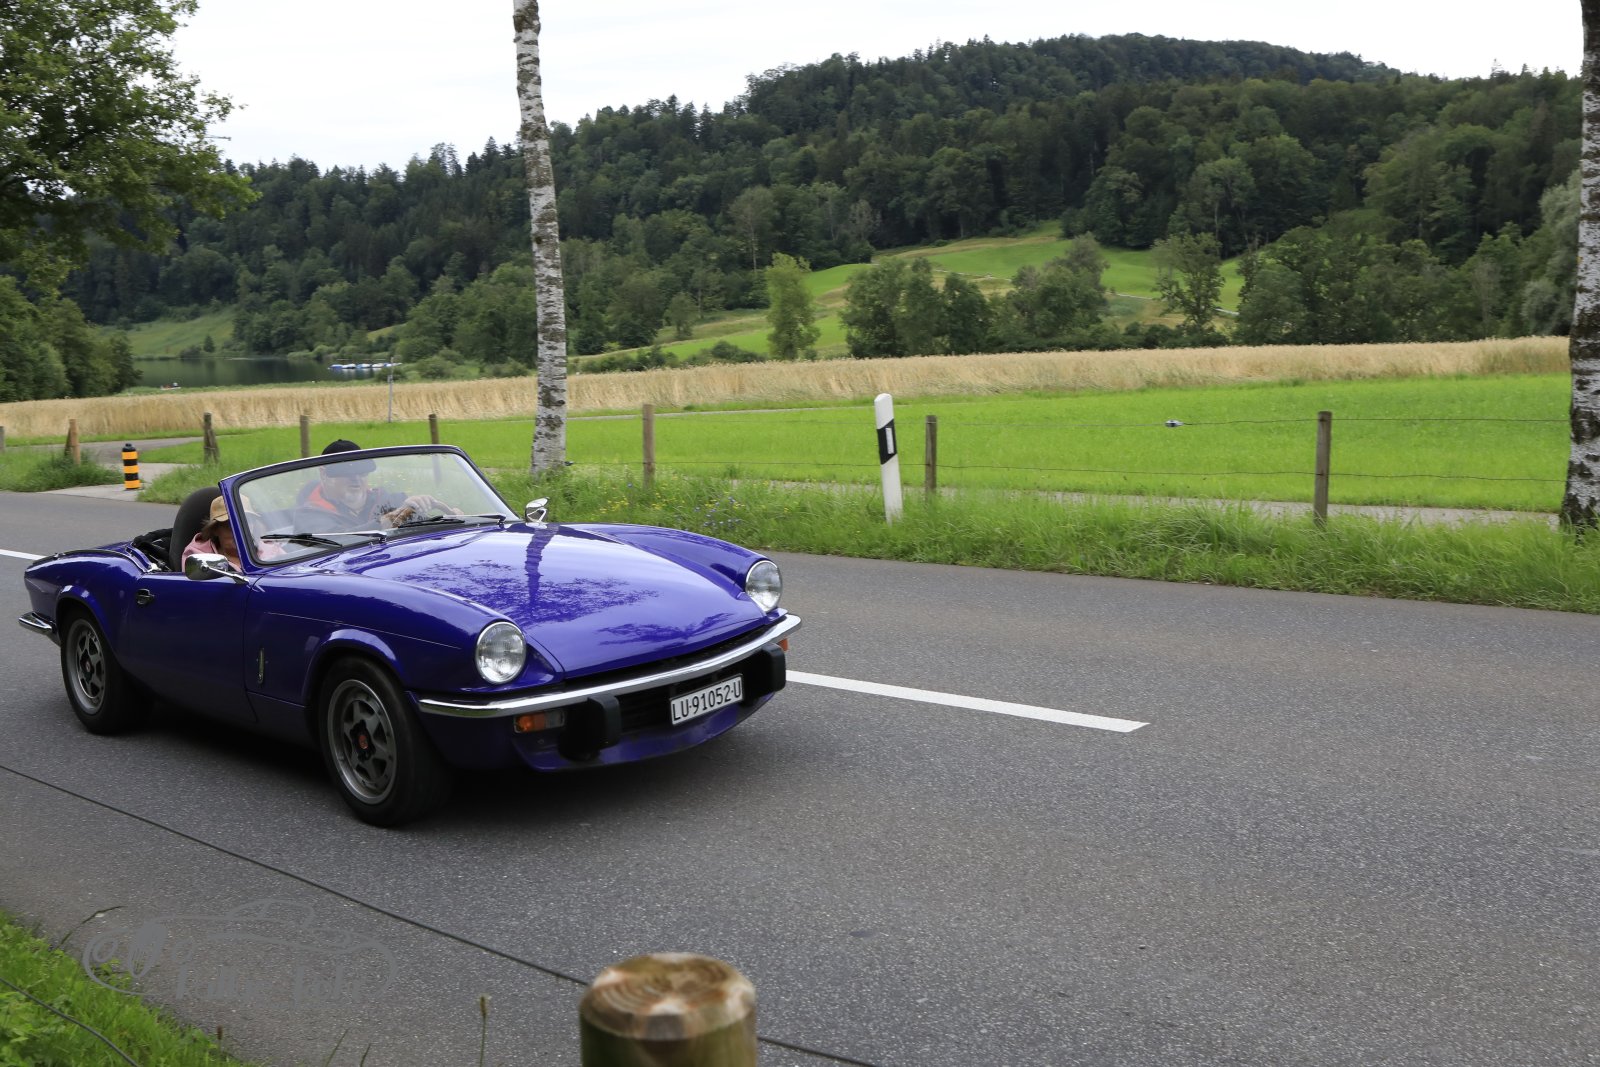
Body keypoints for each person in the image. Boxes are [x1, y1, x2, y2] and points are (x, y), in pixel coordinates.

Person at [298, 438, 456, 530]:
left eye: (362, 472)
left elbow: (426, 526)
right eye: (346, 473)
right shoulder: (309, 514)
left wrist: (449, 516)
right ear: (324, 474)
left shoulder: (390, 500)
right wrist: (387, 521)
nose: (356, 479)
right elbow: (338, 541)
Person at [181, 494, 280, 568]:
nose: (240, 530)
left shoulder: (271, 551)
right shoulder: (198, 557)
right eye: (231, 525)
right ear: (215, 529)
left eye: (247, 522)